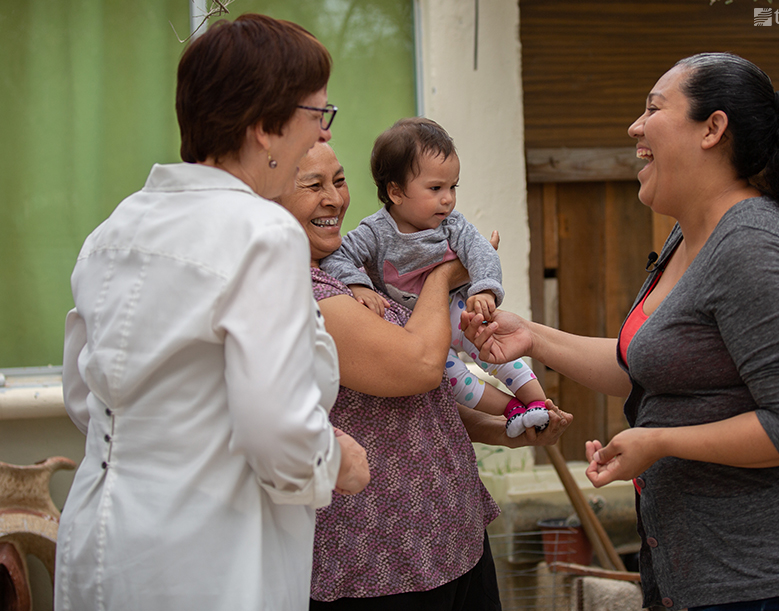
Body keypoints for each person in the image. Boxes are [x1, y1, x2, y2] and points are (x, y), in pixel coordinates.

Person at [462, 52, 779, 611]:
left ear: (713, 128)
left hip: (770, 581)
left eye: (654, 108)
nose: (635, 125)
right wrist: (531, 336)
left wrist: (659, 442)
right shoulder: (688, 236)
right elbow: (646, 366)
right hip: (701, 576)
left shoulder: (754, 248)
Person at [56, 15, 369, 611]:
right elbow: (276, 432)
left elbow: (84, 397)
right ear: (264, 128)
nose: (320, 138)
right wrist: (334, 462)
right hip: (210, 562)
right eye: (317, 116)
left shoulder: (114, 230)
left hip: (99, 546)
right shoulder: (263, 234)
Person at [276, 142, 573, 610]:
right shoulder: (301, 289)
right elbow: (419, 368)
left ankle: (526, 403)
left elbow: (418, 404)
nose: (334, 198)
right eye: (313, 185)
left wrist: (503, 432)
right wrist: (441, 276)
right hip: (379, 560)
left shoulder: (357, 274)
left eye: (338, 180)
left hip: (453, 538)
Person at [320, 117, 549, 438]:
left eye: (453, 187)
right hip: (419, 328)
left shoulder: (452, 225)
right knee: (451, 378)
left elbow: (481, 251)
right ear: (396, 192)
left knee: (494, 346)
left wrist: (485, 288)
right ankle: (510, 410)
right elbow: (338, 256)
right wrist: (358, 285)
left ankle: (538, 404)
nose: (448, 199)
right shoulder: (375, 232)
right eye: (435, 188)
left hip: (458, 308)